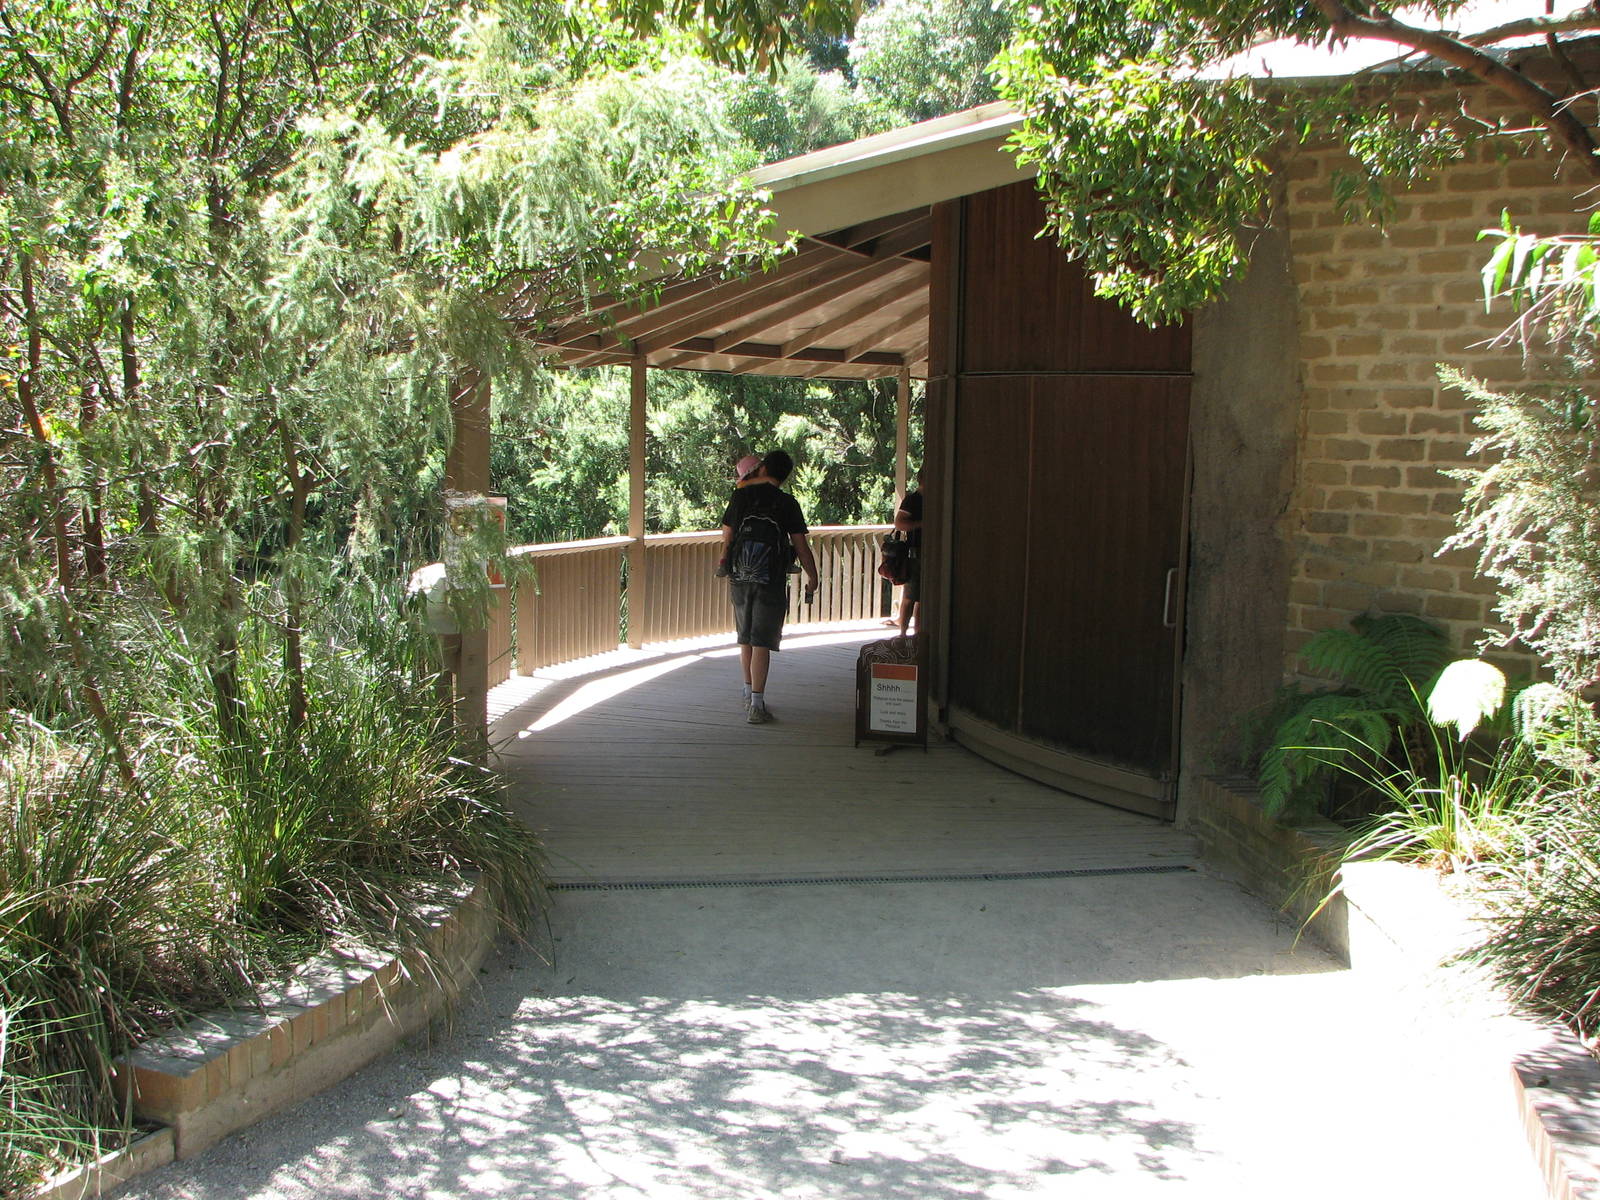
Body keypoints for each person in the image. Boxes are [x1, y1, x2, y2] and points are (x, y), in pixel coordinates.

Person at [718, 450, 819, 724]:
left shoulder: (740, 496)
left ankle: (747, 690)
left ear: (762, 469)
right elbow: (800, 544)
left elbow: (727, 535)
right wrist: (813, 575)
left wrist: (726, 562)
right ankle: (757, 705)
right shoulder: (787, 503)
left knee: (746, 634)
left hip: (740, 575)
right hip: (770, 576)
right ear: (784, 477)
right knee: (762, 639)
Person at [892, 476, 922, 636]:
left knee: (923, 599)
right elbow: (899, 523)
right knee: (910, 597)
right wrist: (922, 524)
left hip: (930, 555)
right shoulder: (913, 500)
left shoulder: (934, 498)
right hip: (915, 553)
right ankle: (903, 634)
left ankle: (918, 635)